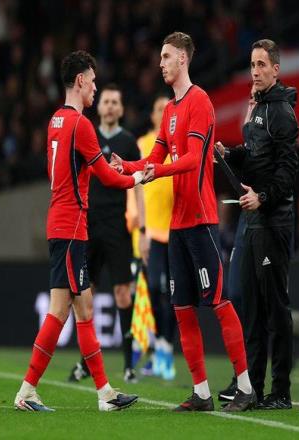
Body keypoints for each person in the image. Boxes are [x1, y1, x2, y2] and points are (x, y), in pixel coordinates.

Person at [112, 31, 255, 412]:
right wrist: (126, 166)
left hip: (201, 219)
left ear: (183, 59)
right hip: (177, 225)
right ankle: (201, 393)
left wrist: (155, 172)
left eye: (166, 56)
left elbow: (193, 159)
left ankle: (245, 386)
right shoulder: (171, 111)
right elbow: (153, 157)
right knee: (182, 308)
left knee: (219, 302)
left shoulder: (200, 101)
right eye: (161, 57)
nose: (160, 63)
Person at [13, 51, 141, 412]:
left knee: (83, 309)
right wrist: (137, 178)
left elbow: (59, 170)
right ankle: (27, 391)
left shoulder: (55, 120)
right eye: (93, 81)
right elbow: (107, 177)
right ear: (81, 81)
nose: (96, 88)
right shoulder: (81, 125)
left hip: (62, 221)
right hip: (71, 226)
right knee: (60, 311)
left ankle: (105, 394)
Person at [215, 39, 299, 410]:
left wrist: (263, 197)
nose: (255, 71)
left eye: (262, 65)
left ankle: (281, 391)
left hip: (272, 221)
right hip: (253, 220)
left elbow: (287, 171)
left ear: (276, 69)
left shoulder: (281, 111)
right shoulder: (258, 107)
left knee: (274, 307)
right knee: (249, 305)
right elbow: (254, 157)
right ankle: (252, 386)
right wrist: (230, 154)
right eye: (252, 64)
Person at [67, 83, 147, 384]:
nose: (110, 106)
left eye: (115, 102)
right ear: (99, 106)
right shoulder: (88, 135)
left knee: (123, 294)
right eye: (106, 101)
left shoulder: (128, 142)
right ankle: (86, 362)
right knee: (85, 295)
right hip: (88, 226)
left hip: (117, 227)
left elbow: (138, 185)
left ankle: (128, 365)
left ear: (121, 109)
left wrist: (142, 229)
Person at [137, 94, 176, 380]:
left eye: (167, 109)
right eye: (159, 109)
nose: (163, 113)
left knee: (173, 294)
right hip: (151, 231)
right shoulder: (143, 144)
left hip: (175, 230)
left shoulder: (177, 145)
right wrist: (138, 228)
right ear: (152, 116)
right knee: (152, 288)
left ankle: (165, 349)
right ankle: (159, 344)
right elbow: (135, 189)